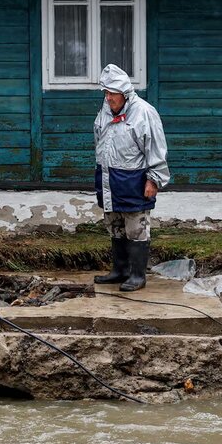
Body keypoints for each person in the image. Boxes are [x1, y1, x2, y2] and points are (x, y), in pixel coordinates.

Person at [92, 63, 170, 292]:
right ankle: (120, 270)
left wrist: (154, 179)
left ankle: (137, 275)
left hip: (134, 179)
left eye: (112, 94)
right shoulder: (105, 111)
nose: (108, 98)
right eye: (105, 93)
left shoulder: (144, 113)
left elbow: (156, 147)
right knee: (114, 225)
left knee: (136, 227)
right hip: (108, 178)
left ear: (124, 94)